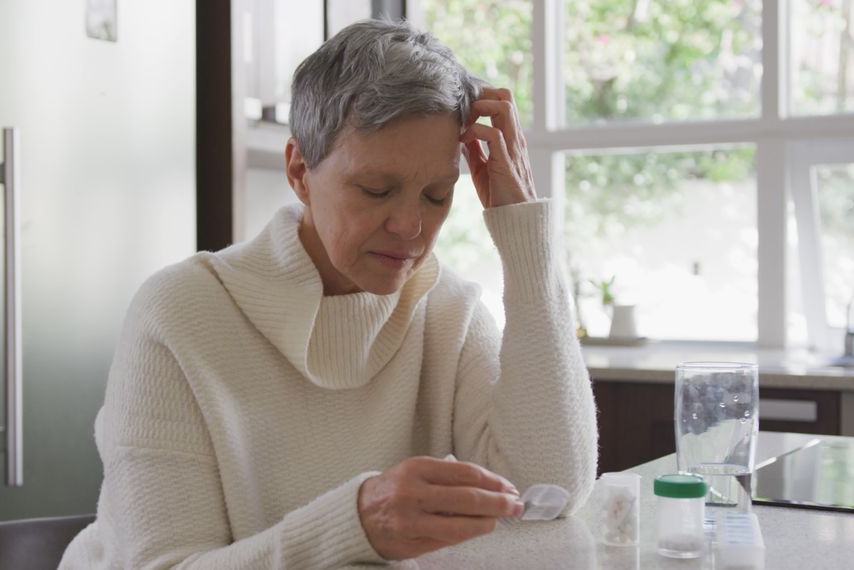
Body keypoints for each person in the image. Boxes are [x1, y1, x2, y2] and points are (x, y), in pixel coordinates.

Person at [59, 18, 597, 569]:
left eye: (437, 195)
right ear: (299, 170)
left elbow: (547, 492)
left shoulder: (446, 309)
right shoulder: (181, 312)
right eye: (376, 190)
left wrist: (524, 233)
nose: (411, 226)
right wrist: (354, 527)